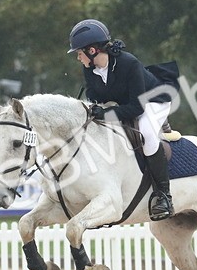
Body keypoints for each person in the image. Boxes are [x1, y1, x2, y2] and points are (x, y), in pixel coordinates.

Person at [67, 18, 176, 221]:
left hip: (153, 101)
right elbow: (94, 96)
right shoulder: (90, 69)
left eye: (79, 53)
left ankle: (163, 196)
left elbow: (137, 108)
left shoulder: (129, 64)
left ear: (92, 51)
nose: (78, 58)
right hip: (125, 103)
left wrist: (106, 115)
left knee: (146, 135)